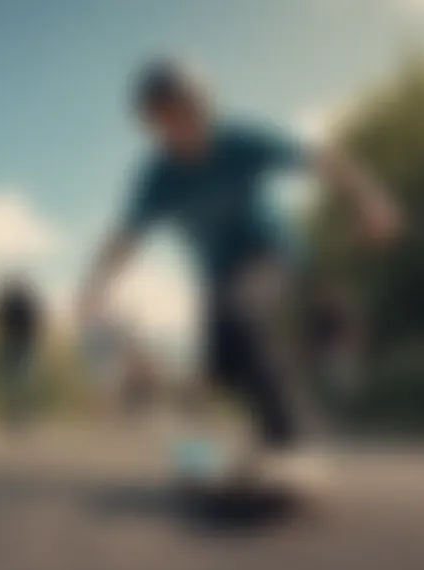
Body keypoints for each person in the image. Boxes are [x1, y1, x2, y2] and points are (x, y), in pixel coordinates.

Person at [77, 59, 401, 477]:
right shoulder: (156, 175)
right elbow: (125, 237)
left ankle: (293, 441)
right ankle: (274, 435)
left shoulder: (241, 141)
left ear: (205, 109)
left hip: (270, 255)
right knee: (222, 367)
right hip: (215, 278)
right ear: (151, 125)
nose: (179, 131)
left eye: (185, 115)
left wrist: (371, 197)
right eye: (163, 122)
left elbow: (322, 160)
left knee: (243, 311)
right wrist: (93, 286)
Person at [0, 274, 43, 427]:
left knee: (12, 380)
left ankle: (13, 413)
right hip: (20, 344)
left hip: (13, 343)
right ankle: (18, 414)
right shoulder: (23, 302)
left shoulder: (8, 302)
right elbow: (34, 323)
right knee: (20, 380)